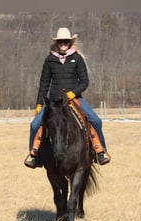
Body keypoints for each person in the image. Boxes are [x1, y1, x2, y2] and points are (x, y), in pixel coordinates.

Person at [24, 27, 110, 168]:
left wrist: (72, 93)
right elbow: (44, 83)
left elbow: (84, 81)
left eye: (66, 41)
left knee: (96, 120)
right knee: (34, 125)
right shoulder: (50, 59)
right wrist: (39, 104)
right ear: (57, 43)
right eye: (60, 41)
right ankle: (34, 156)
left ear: (70, 42)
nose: (63, 44)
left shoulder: (77, 58)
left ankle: (100, 152)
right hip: (53, 101)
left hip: (74, 99)